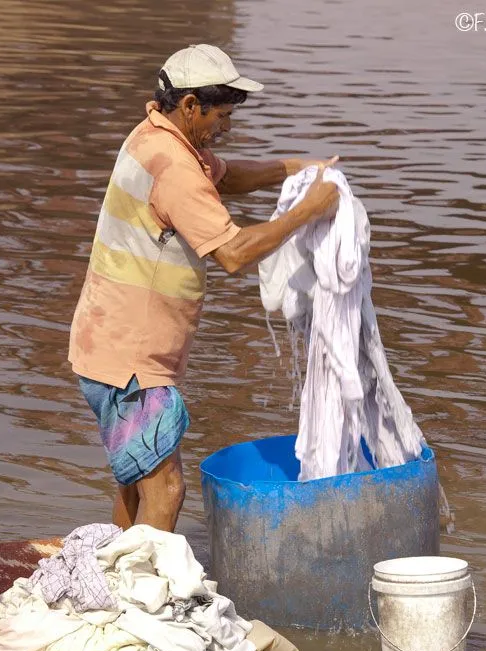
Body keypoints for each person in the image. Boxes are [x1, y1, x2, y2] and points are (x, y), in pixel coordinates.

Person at [68, 44, 339, 533]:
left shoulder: (153, 135)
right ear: (190, 105)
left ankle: (118, 575)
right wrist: (308, 210)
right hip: (132, 359)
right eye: (222, 114)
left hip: (105, 345)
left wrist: (292, 169)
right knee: (167, 488)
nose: (228, 127)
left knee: (136, 479)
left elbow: (226, 177)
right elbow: (233, 253)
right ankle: (142, 597)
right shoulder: (175, 169)